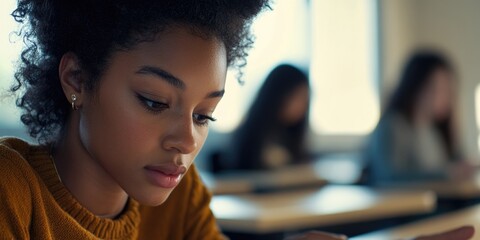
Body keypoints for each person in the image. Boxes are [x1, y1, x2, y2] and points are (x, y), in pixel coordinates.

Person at [0, 1, 474, 239]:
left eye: (205, 114)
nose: (187, 139)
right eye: (153, 100)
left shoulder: (179, 198)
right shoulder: (11, 193)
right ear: (77, 78)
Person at [363, 50, 474, 185]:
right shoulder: (393, 127)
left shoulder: (434, 130)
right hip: (407, 204)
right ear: (416, 86)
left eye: (449, 89)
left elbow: (457, 161)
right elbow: (388, 178)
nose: (446, 97)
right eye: (439, 88)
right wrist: (446, 174)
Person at [227, 64, 310, 170]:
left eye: (305, 100)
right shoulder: (251, 136)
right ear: (279, 95)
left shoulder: (293, 136)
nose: (301, 106)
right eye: (296, 98)